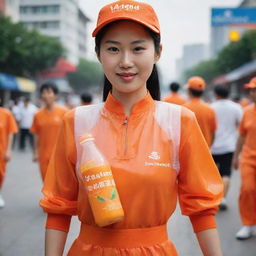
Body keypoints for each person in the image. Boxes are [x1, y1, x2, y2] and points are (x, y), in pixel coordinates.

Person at [40, 1, 223, 255]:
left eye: (138, 48)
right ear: (98, 54)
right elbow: (58, 208)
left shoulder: (179, 121)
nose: (125, 61)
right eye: (113, 49)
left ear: (157, 52)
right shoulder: (76, 121)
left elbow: (202, 208)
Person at [211, 85, 242, 210]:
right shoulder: (236, 107)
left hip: (212, 146)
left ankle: (214, 197)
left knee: (213, 174)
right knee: (226, 174)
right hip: (229, 146)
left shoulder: (210, 107)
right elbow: (241, 125)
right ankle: (223, 198)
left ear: (216, 94)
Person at [233, 77, 256, 240]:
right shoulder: (247, 111)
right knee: (247, 190)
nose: (253, 93)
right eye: (252, 90)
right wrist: (236, 156)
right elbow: (241, 135)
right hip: (248, 158)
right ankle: (248, 224)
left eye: (255, 90)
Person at [30, 82, 67, 181]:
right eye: (43, 93)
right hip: (43, 155)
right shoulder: (37, 115)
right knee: (46, 182)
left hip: (60, 156)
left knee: (59, 183)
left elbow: (69, 135)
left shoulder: (64, 113)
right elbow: (36, 135)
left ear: (55, 95)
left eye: (49, 92)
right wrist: (35, 152)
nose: (46, 95)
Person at [184, 76, 217, 147]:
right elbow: (213, 132)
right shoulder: (210, 109)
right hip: (205, 148)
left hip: (188, 150)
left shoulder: (183, 109)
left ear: (189, 91)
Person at [0, 99, 18, 208]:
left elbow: (11, 132)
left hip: (1, 152)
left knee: (0, 175)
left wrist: (9, 150)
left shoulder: (6, 114)